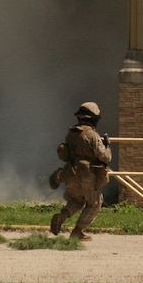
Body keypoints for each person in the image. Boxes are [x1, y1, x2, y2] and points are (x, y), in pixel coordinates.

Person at [49, 102, 112, 241]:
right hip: (87, 175)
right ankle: (78, 231)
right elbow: (105, 156)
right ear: (93, 118)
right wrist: (107, 146)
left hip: (70, 173)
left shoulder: (71, 133)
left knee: (75, 201)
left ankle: (62, 216)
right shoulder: (92, 135)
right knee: (94, 203)